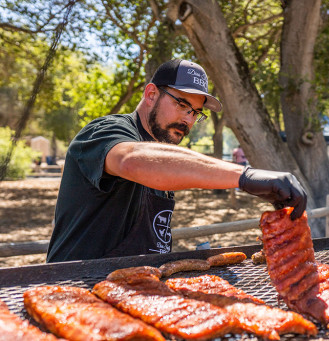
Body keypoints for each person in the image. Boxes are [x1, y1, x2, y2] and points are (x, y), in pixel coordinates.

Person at [46, 59, 307, 262]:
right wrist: (245, 176)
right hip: (76, 287)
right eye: (182, 105)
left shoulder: (165, 152)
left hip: (140, 289)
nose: (189, 120)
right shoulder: (104, 131)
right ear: (151, 95)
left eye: (196, 112)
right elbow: (132, 160)